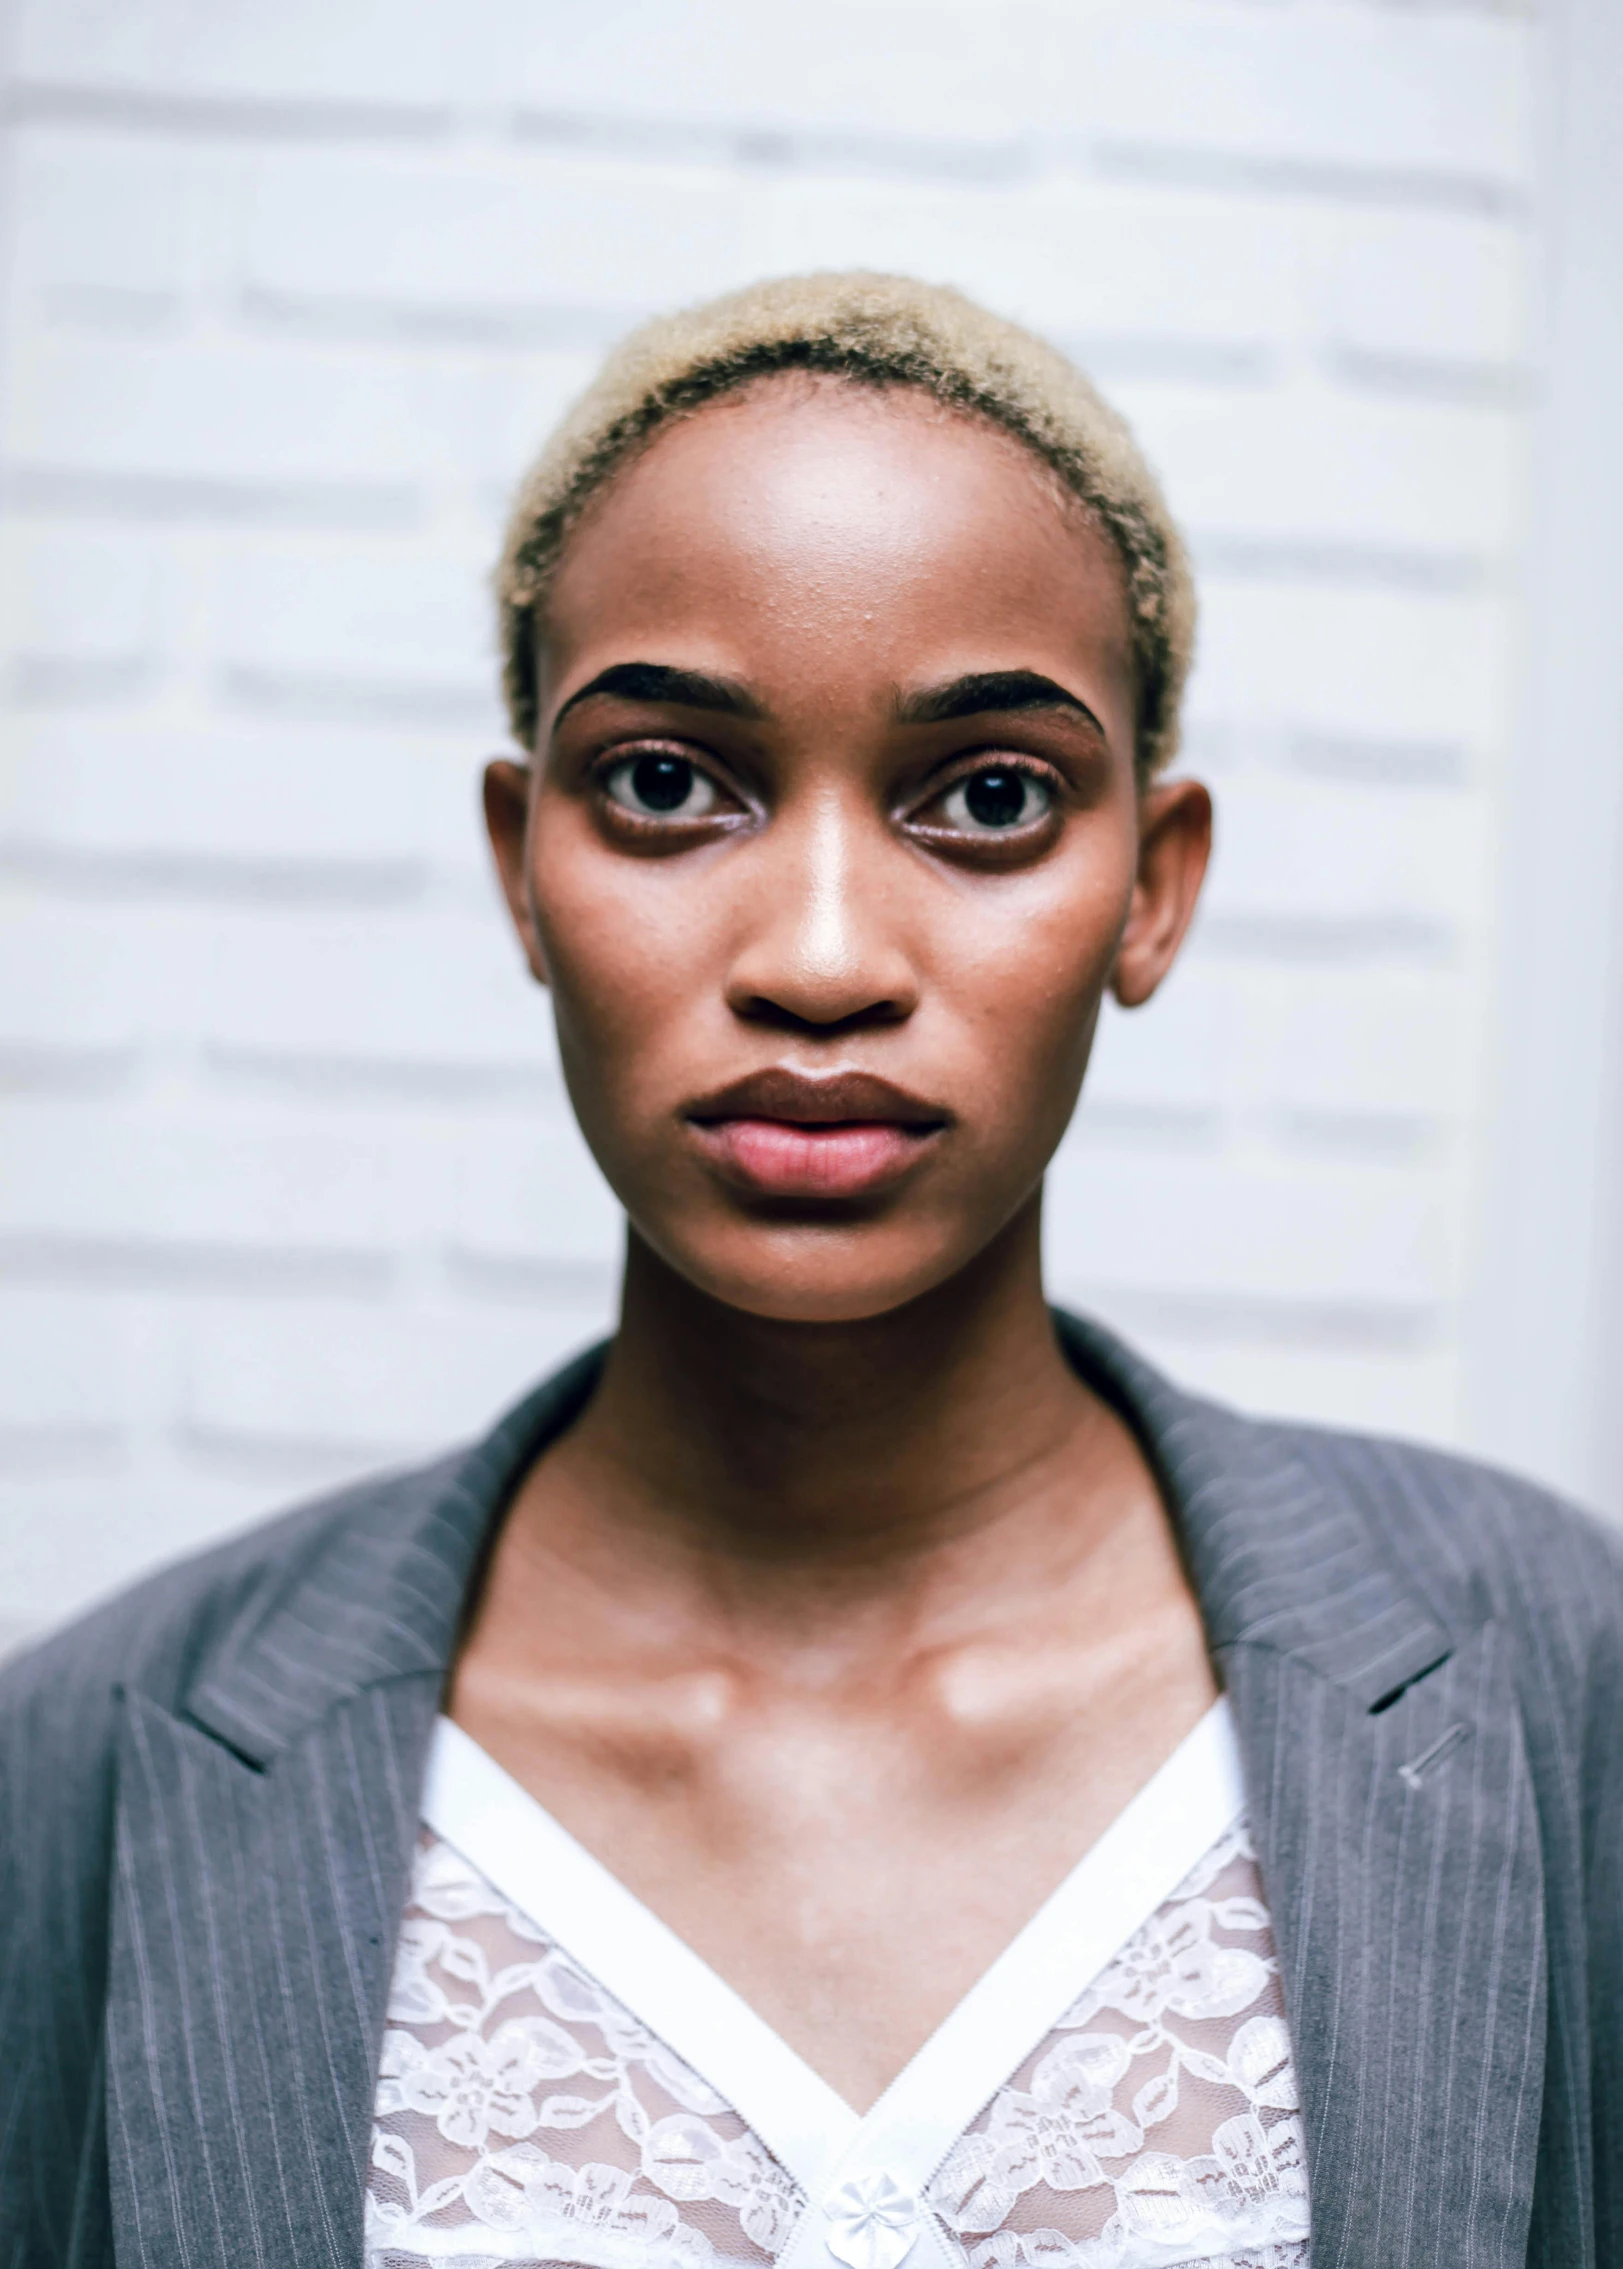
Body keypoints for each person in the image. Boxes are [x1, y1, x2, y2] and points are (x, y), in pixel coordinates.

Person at [1, 273, 1618, 2269]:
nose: (825, 956)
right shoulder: (80, 1766)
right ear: (523, 865)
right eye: (669, 783)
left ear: (1154, 884)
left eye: (991, 798)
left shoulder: (1562, 1687)